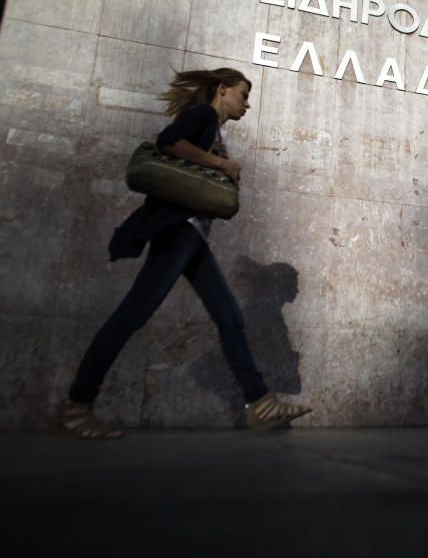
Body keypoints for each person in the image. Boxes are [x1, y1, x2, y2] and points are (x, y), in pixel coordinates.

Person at [59, 68, 311, 438]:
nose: (247, 103)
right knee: (131, 316)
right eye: (242, 94)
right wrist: (222, 164)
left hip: (192, 236)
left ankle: (260, 405)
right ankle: (78, 408)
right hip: (179, 232)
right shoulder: (205, 116)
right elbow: (168, 141)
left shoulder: (215, 129)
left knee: (229, 317)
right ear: (222, 90)